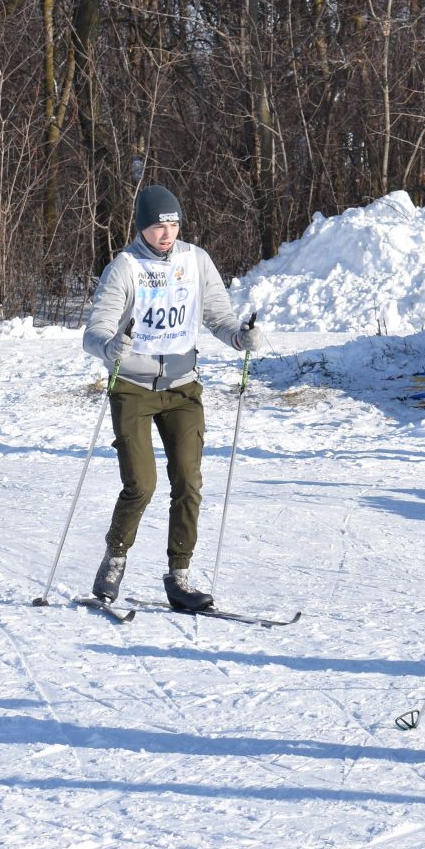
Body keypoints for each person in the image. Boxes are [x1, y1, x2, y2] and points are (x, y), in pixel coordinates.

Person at [82, 185, 258, 613]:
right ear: (143, 225)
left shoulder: (195, 260)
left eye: (174, 223)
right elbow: (94, 331)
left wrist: (239, 336)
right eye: (159, 224)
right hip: (133, 388)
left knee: (188, 481)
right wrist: (109, 347)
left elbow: (218, 315)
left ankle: (179, 576)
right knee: (141, 484)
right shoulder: (124, 267)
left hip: (182, 388)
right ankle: (115, 558)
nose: (167, 232)